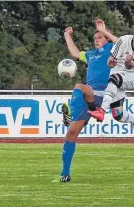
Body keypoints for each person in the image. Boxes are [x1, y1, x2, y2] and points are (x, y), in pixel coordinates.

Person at [54, 19, 118, 182]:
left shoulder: (111, 50)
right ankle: (65, 174)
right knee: (71, 134)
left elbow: (121, 44)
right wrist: (67, 36)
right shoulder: (91, 55)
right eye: (95, 38)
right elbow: (75, 54)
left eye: (100, 37)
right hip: (89, 95)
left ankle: (78, 112)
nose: (97, 39)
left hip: (102, 94)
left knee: (78, 86)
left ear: (106, 39)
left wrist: (104, 30)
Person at [88, 28, 134, 138]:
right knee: (117, 114)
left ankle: (102, 112)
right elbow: (110, 62)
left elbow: (129, 66)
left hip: (132, 74)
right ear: (133, 38)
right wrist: (111, 63)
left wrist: (128, 61)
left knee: (114, 79)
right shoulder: (122, 41)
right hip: (117, 71)